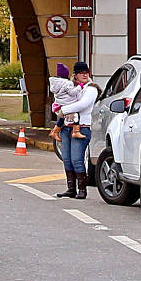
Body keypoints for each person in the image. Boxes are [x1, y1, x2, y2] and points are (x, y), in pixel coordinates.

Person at [56, 63, 97, 198]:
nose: (84, 75)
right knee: (67, 159)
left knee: (77, 159)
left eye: (86, 72)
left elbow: (82, 105)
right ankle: (71, 188)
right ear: (75, 75)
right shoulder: (71, 87)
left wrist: (64, 110)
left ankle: (82, 190)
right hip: (66, 128)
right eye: (81, 73)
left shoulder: (91, 89)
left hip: (82, 128)